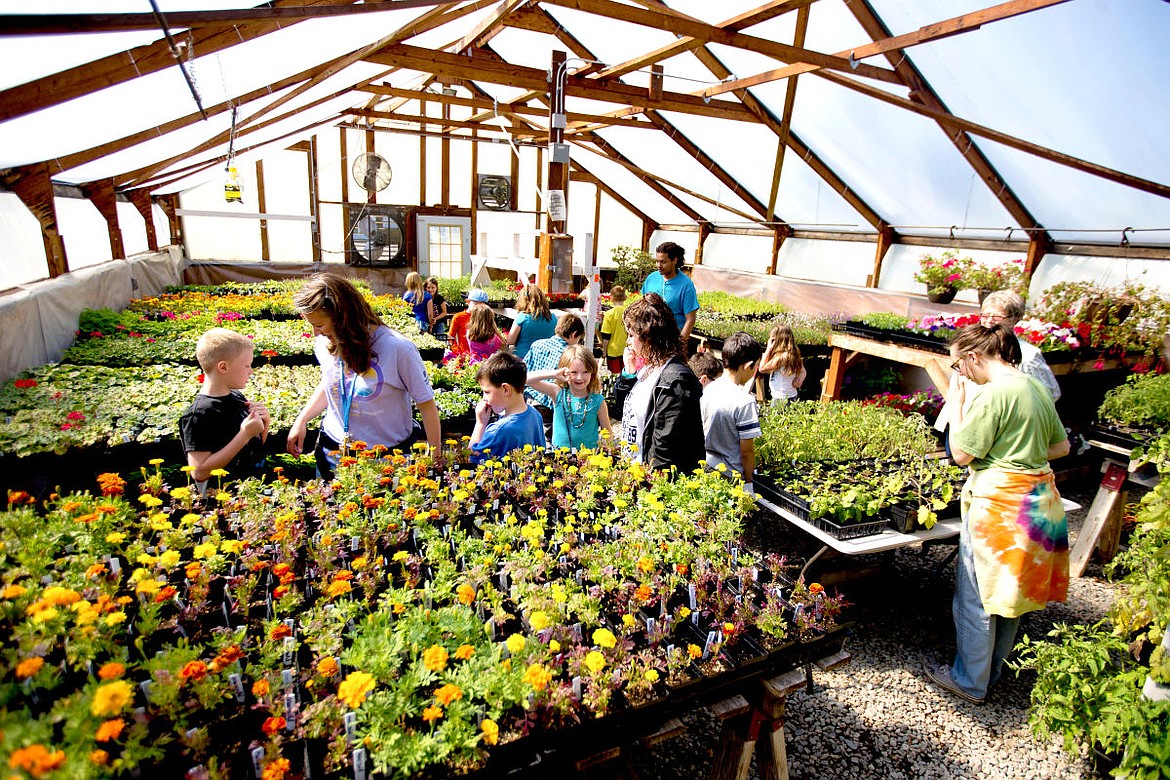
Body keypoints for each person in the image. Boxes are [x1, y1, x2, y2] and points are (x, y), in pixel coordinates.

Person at [926, 324, 1070, 705]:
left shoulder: (994, 395)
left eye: (958, 365)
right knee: (1012, 595)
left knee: (977, 596)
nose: (959, 373)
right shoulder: (1033, 386)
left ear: (973, 357)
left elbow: (960, 454)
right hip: (1039, 501)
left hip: (1000, 508)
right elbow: (1060, 447)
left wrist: (956, 406)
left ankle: (970, 680)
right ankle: (994, 669)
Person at [286, 273, 441, 481]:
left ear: (343, 317)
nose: (316, 333)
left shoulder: (398, 349)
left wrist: (435, 459)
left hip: (386, 461)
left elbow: (426, 404)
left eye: (320, 325)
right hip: (333, 454)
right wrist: (302, 419)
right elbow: (333, 384)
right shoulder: (324, 344)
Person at [611, 293, 705, 474]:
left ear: (648, 336)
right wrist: (628, 374)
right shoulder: (648, 368)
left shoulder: (676, 380)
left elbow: (664, 447)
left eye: (631, 335)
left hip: (651, 480)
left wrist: (647, 484)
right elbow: (623, 410)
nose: (628, 341)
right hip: (634, 470)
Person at [179, 328, 271, 487]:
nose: (251, 372)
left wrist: (264, 422)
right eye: (247, 366)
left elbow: (254, 450)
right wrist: (244, 434)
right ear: (223, 367)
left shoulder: (237, 398)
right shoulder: (199, 415)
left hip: (253, 491)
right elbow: (199, 472)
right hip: (225, 499)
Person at [700, 332, 764, 492]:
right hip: (731, 475)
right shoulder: (744, 401)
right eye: (756, 366)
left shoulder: (709, 389)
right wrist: (749, 481)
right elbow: (747, 451)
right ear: (747, 365)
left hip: (707, 464)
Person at [980, 289, 1061, 401]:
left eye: (997, 317)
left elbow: (1050, 394)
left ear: (1014, 319)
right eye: (985, 315)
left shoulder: (1028, 355)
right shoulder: (975, 347)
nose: (989, 320)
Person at [527, 345, 611, 451]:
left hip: (588, 461)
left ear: (592, 373)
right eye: (574, 372)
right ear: (565, 372)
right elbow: (526, 379)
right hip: (561, 460)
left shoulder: (598, 401)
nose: (579, 377)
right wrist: (555, 374)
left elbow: (607, 433)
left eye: (585, 372)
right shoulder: (558, 394)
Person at [470, 351, 546, 463]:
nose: (484, 398)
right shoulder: (535, 415)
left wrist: (480, 424)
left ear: (506, 389)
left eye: (487, 392)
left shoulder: (498, 430)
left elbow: (472, 458)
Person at [641, 242, 699, 347]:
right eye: (657, 261)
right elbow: (642, 305)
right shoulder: (651, 278)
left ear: (674, 260)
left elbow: (690, 319)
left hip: (671, 342)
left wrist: (679, 345)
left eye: (663, 262)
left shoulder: (686, 285)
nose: (658, 265)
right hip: (649, 339)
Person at [524, 314, 585, 411]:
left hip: (529, 398)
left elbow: (524, 370)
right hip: (548, 403)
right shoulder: (569, 355)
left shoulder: (537, 344)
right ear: (574, 334)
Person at [759, 322, 806, 403]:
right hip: (791, 395)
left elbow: (762, 368)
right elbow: (803, 371)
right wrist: (799, 380)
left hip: (781, 399)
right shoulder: (792, 354)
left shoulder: (781, 358)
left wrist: (768, 348)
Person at [507, 284, 556, 360]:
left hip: (523, 358)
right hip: (546, 357)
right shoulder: (553, 317)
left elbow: (510, 340)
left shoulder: (522, 317)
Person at [448, 288, 490, 356]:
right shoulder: (458, 317)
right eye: (476, 304)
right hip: (464, 355)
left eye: (482, 306)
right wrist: (458, 352)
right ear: (467, 301)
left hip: (482, 355)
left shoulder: (486, 317)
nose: (478, 308)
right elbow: (450, 337)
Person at [599, 285, 629, 375]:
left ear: (611, 298)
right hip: (627, 349)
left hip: (613, 350)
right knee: (627, 375)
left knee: (615, 377)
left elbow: (606, 336)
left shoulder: (609, 314)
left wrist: (604, 351)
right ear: (625, 297)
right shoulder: (629, 311)